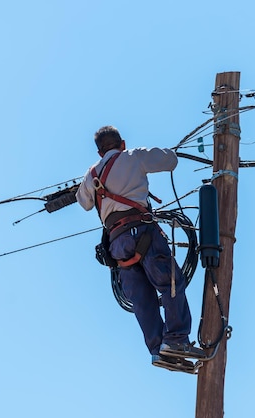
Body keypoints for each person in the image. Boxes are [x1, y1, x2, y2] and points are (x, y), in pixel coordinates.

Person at [76, 125, 205, 371]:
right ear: (121, 143)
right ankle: (176, 340)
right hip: (142, 232)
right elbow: (170, 160)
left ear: (99, 151)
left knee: (143, 301)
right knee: (170, 282)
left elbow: (83, 202)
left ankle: (159, 350)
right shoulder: (132, 156)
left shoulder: (91, 174)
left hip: (117, 245)